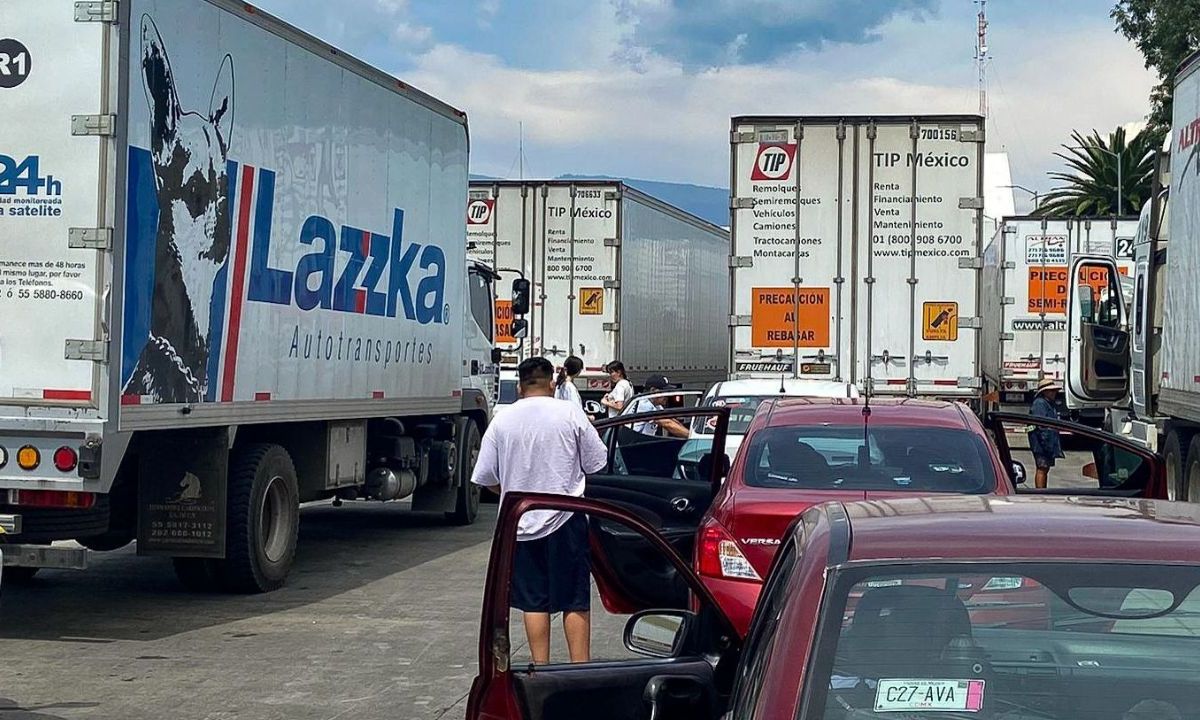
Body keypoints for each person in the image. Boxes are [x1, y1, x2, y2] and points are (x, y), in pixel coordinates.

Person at [470, 357, 608, 664]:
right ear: (551, 384)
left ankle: (541, 669)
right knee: (574, 598)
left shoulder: (502, 420)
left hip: (520, 522)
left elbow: (486, 478)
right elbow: (597, 462)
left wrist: (511, 490)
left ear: (519, 387)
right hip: (567, 517)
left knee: (534, 602)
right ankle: (580, 668)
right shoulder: (569, 413)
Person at [1029, 378, 1064, 490]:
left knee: (1045, 468)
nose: (1054, 393)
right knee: (1042, 468)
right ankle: (1040, 492)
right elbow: (1041, 426)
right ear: (1044, 392)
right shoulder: (1039, 404)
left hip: (1046, 442)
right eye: (1051, 391)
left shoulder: (1047, 403)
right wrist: (1046, 444)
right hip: (1041, 443)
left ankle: (1042, 490)